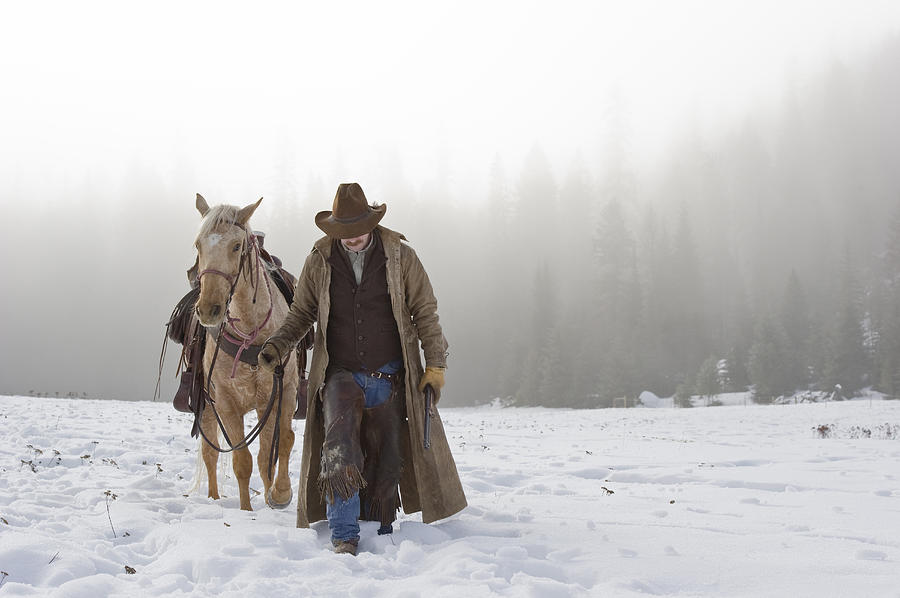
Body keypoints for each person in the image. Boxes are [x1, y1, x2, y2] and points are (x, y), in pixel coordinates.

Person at [258, 182, 467, 555]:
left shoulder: (402, 257)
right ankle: (343, 534)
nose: (352, 239)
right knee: (340, 451)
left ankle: (378, 527)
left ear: (371, 224)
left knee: (386, 454)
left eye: (358, 231)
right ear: (334, 230)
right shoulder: (319, 260)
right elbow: (302, 313)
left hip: (390, 372)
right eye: (344, 233)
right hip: (339, 372)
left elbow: (426, 314)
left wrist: (434, 364)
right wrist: (278, 345)